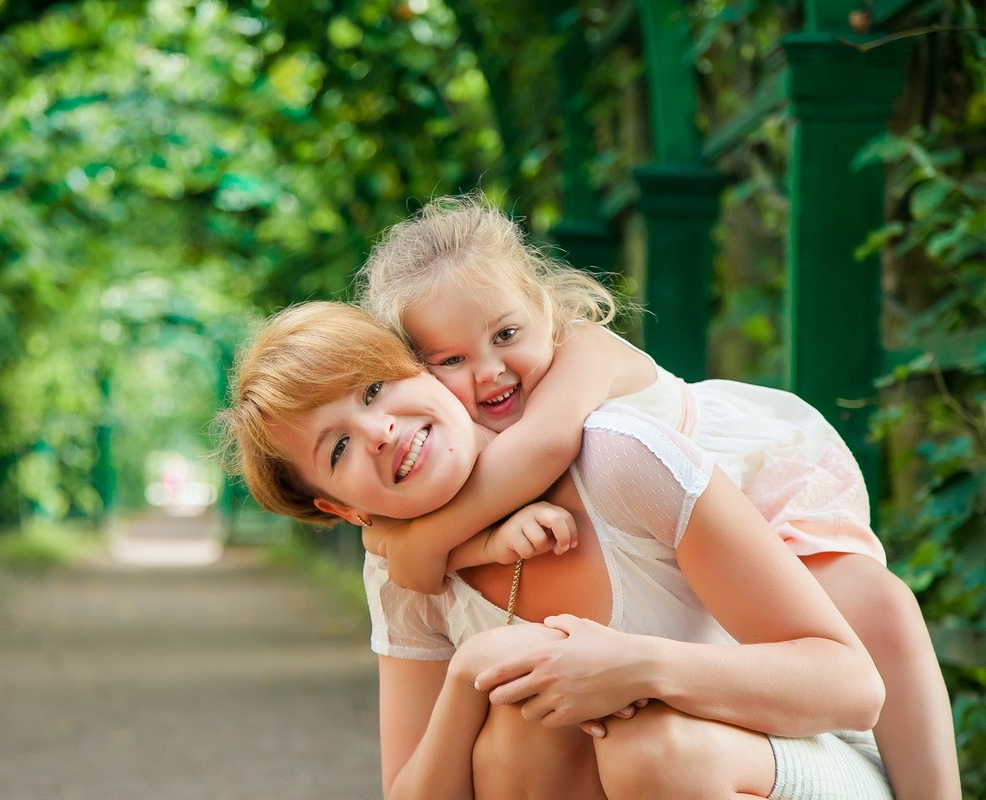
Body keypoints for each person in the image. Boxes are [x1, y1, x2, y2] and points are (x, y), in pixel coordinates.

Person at [355, 195, 960, 800]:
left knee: (873, 604)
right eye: (451, 360)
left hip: (746, 487)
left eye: (506, 334)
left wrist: (425, 543)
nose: (489, 370)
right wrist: (395, 536)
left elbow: (541, 450)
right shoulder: (458, 442)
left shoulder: (584, 352)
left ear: (547, 309)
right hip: (672, 546)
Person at [217, 300, 892, 800]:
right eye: (338, 447)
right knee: (520, 723)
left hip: (798, 763)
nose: (380, 431)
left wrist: (641, 668)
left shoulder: (617, 458)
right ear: (341, 509)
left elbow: (853, 689)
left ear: (426, 372)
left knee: (651, 749)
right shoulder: (400, 573)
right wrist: (467, 674)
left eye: (374, 389)